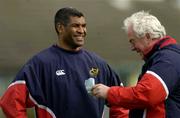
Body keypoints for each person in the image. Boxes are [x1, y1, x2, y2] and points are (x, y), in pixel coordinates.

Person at [0, 7, 128, 118]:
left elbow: (121, 101)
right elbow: (10, 102)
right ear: (60, 28)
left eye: (84, 26)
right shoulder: (40, 64)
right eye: (75, 26)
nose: (82, 31)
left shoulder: (99, 64)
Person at [92, 11, 180, 118]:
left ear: (147, 36)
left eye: (133, 41)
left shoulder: (167, 60)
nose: (132, 48)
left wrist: (109, 92)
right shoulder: (164, 58)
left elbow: (147, 94)